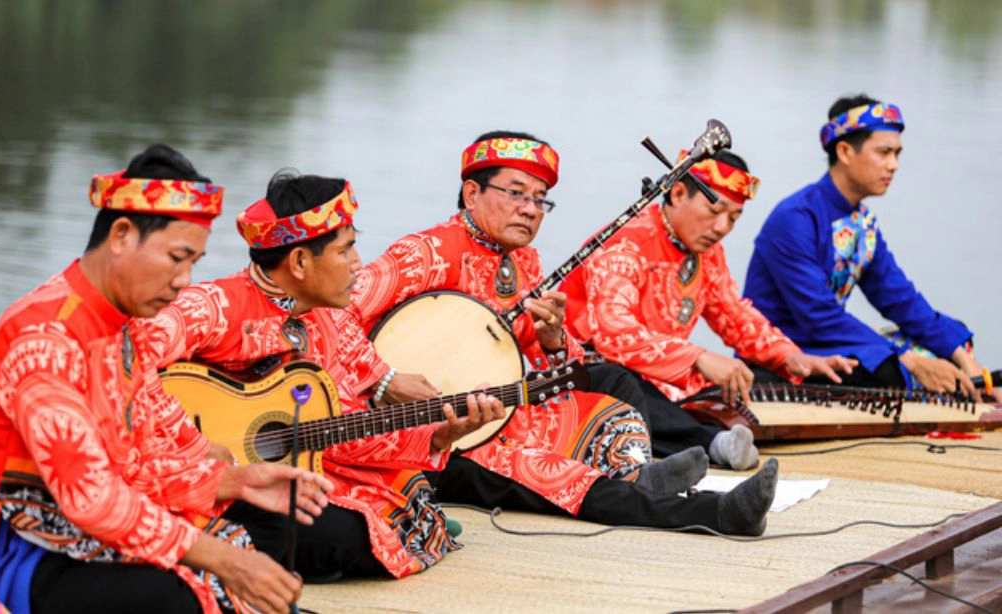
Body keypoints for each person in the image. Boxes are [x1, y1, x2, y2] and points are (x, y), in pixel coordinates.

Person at [349, 131, 779, 537]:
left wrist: (552, 339)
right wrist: (386, 380)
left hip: (507, 411)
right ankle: (713, 513)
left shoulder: (526, 263)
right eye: (516, 193)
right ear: (472, 193)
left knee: (612, 401)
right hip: (439, 438)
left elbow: (550, 365)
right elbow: (334, 321)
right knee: (554, 475)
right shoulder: (427, 252)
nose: (531, 209)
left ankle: (638, 476)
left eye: (540, 199)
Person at [0, 146, 332, 614]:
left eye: (194, 263)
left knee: (263, 528)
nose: (185, 280)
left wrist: (234, 482)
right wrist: (224, 560)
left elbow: (136, 467)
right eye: (176, 258)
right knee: (176, 595)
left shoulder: (125, 330)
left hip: (76, 526)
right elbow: (92, 497)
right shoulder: (45, 339)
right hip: (18, 543)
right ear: (121, 235)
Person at [138, 170, 506, 583]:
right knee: (346, 534)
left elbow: (343, 426)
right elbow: (127, 357)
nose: (358, 264)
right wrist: (195, 443)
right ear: (298, 262)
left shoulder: (328, 318)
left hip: (292, 464)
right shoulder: (215, 307)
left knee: (406, 492)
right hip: (189, 473)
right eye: (345, 250)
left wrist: (438, 435)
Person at [562, 149, 855, 470]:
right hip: (590, 373)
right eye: (715, 210)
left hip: (667, 379)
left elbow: (734, 316)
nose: (722, 226)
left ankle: (711, 431)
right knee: (622, 388)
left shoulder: (708, 253)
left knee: (753, 376)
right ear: (677, 193)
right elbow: (613, 333)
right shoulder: (625, 242)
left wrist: (790, 355)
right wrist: (699, 357)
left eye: (734, 217)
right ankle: (711, 442)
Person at [743, 94, 997, 400]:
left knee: (950, 338)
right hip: (791, 351)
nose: (894, 165)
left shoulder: (862, 223)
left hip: (828, 340)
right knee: (894, 368)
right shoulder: (795, 219)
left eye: (897, 154)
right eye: (884, 152)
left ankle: (963, 381)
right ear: (846, 151)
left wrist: (964, 359)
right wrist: (910, 359)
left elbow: (900, 299)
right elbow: (819, 317)